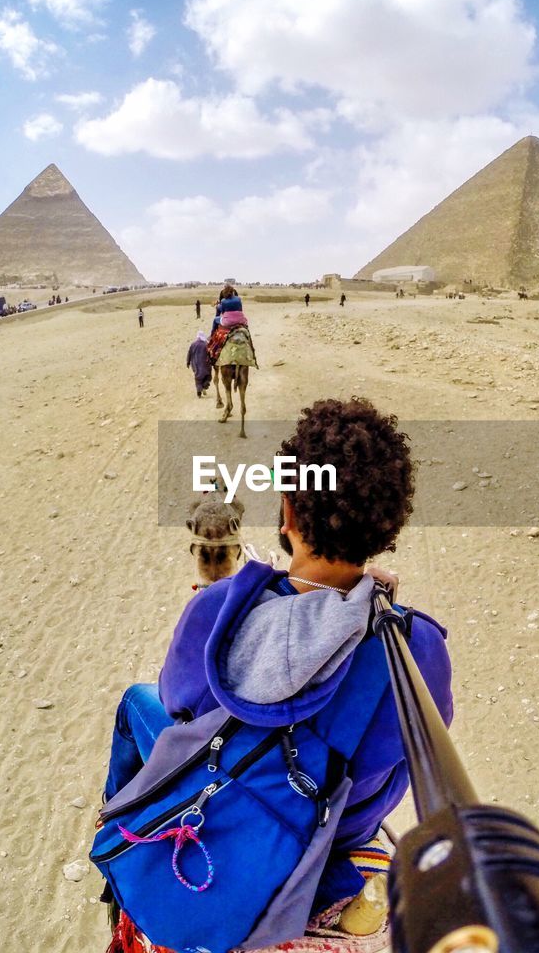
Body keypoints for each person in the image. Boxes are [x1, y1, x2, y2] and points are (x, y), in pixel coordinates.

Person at [102, 398, 452, 945]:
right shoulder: (421, 649)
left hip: (229, 800)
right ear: (385, 527)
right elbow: (409, 765)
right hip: (336, 826)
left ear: (288, 513)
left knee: (134, 705)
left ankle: (120, 824)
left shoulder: (216, 609)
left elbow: (179, 713)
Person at [186, 330, 211, 397]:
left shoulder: (193, 344)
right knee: (207, 376)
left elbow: (189, 353)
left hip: (195, 365)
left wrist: (188, 362)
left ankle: (199, 392)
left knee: (198, 378)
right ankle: (203, 387)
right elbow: (210, 354)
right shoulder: (206, 344)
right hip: (205, 364)